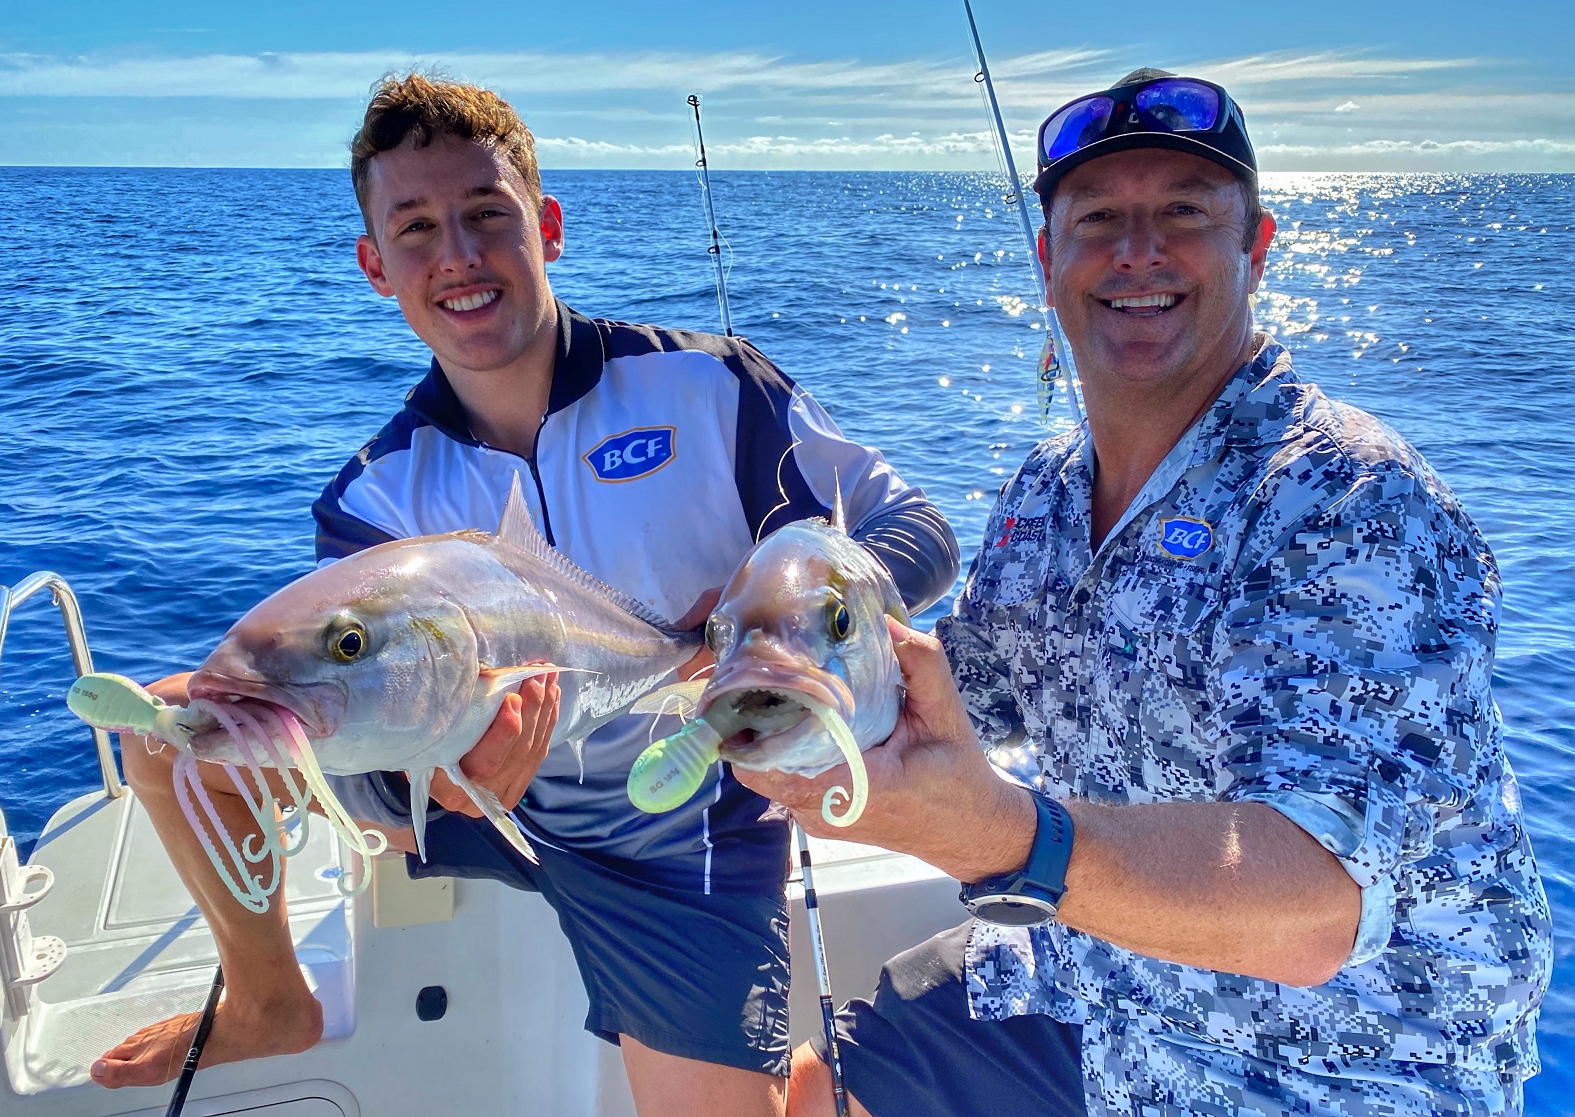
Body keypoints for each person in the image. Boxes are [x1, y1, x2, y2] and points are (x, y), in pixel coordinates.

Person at [90, 74, 958, 1116]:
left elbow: (918, 534)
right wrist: (453, 779)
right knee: (171, 738)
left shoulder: (713, 391)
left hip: (677, 831)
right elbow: (350, 729)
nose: (456, 255)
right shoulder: (375, 496)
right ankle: (271, 1000)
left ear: (545, 225)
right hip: (479, 804)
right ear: (375, 266)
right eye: (415, 228)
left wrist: (779, 637)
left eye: (485, 215)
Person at [746, 68, 1553, 1117]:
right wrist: (781, 672)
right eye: (1099, 221)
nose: (1137, 251)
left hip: (1338, 1060)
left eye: (1183, 214)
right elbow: (968, 697)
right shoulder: (1045, 487)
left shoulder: (1349, 499)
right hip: (1102, 978)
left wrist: (1001, 834)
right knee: (823, 1086)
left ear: (1257, 249)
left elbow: (1312, 910)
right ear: (1048, 262)